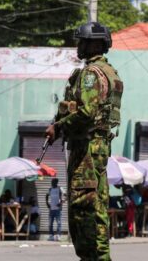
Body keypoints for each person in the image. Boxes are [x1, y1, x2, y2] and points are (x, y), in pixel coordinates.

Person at [45, 22, 123, 260]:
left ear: (95, 43)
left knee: (83, 207)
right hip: (98, 146)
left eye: (82, 41)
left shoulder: (91, 74)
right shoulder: (110, 72)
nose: (78, 46)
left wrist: (58, 126)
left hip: (86, 147)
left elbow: (87, 112)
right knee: (96, 206)